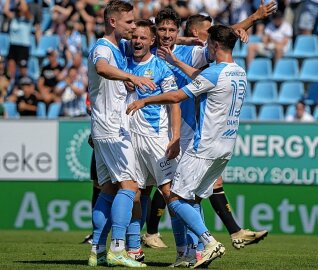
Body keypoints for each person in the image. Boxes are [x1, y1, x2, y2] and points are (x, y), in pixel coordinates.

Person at [143, 3, 275, 254]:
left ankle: (190, 249)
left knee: (176, 190)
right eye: (162, 29)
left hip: (186, 130)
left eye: (172, 29)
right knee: (148, 189)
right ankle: (144, 237)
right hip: (152, 126)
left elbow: (222, 40)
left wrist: (253, 19)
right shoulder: (144, 48)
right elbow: (130, 36)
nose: (167, 34)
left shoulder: (190, 53)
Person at [127, 24, 246, 268]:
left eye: (208, 44)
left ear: (214, 45)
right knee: (192, 200)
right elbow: (201, 78)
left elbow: (176, 97)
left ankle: (208, 242)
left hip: (204, 146)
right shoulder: (238, 72)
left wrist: (145, 100)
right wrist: (175, 60)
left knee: (176, 198)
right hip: (225, 148)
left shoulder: (215, 72)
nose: (206, 49)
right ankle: (193, 255)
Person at [86, 0, 156, 268]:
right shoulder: (102, 47)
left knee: (107, 191)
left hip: (105, 127)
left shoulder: (120, 47)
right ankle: (118, 248)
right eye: (129, 22)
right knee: (130, 187)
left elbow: (148, 37)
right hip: (112, 128)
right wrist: (132, 77)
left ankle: (97, 250)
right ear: (113, 22)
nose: (132, 26)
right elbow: (102, 68)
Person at [124, 19, 181, 262]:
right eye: (134, 37)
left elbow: (174, 102)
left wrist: (175, 136)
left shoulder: (161, 68)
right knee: (134, 193)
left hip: (155, 137)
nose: (137, 41)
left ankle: (189, 249)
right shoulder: (122, 62)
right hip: (129, 138)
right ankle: (134, 248)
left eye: (143, 37)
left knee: (170, 193)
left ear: (151, 40)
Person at [3, 0, 32, 81]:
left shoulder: (28, 18)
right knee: (11, 69)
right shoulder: (14, 18)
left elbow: (25, 10)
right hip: (13, 45)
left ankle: (23, 84)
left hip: (23, 45)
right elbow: (6, 11)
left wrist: (21, 1)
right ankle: (12, 84)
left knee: (23, 70)